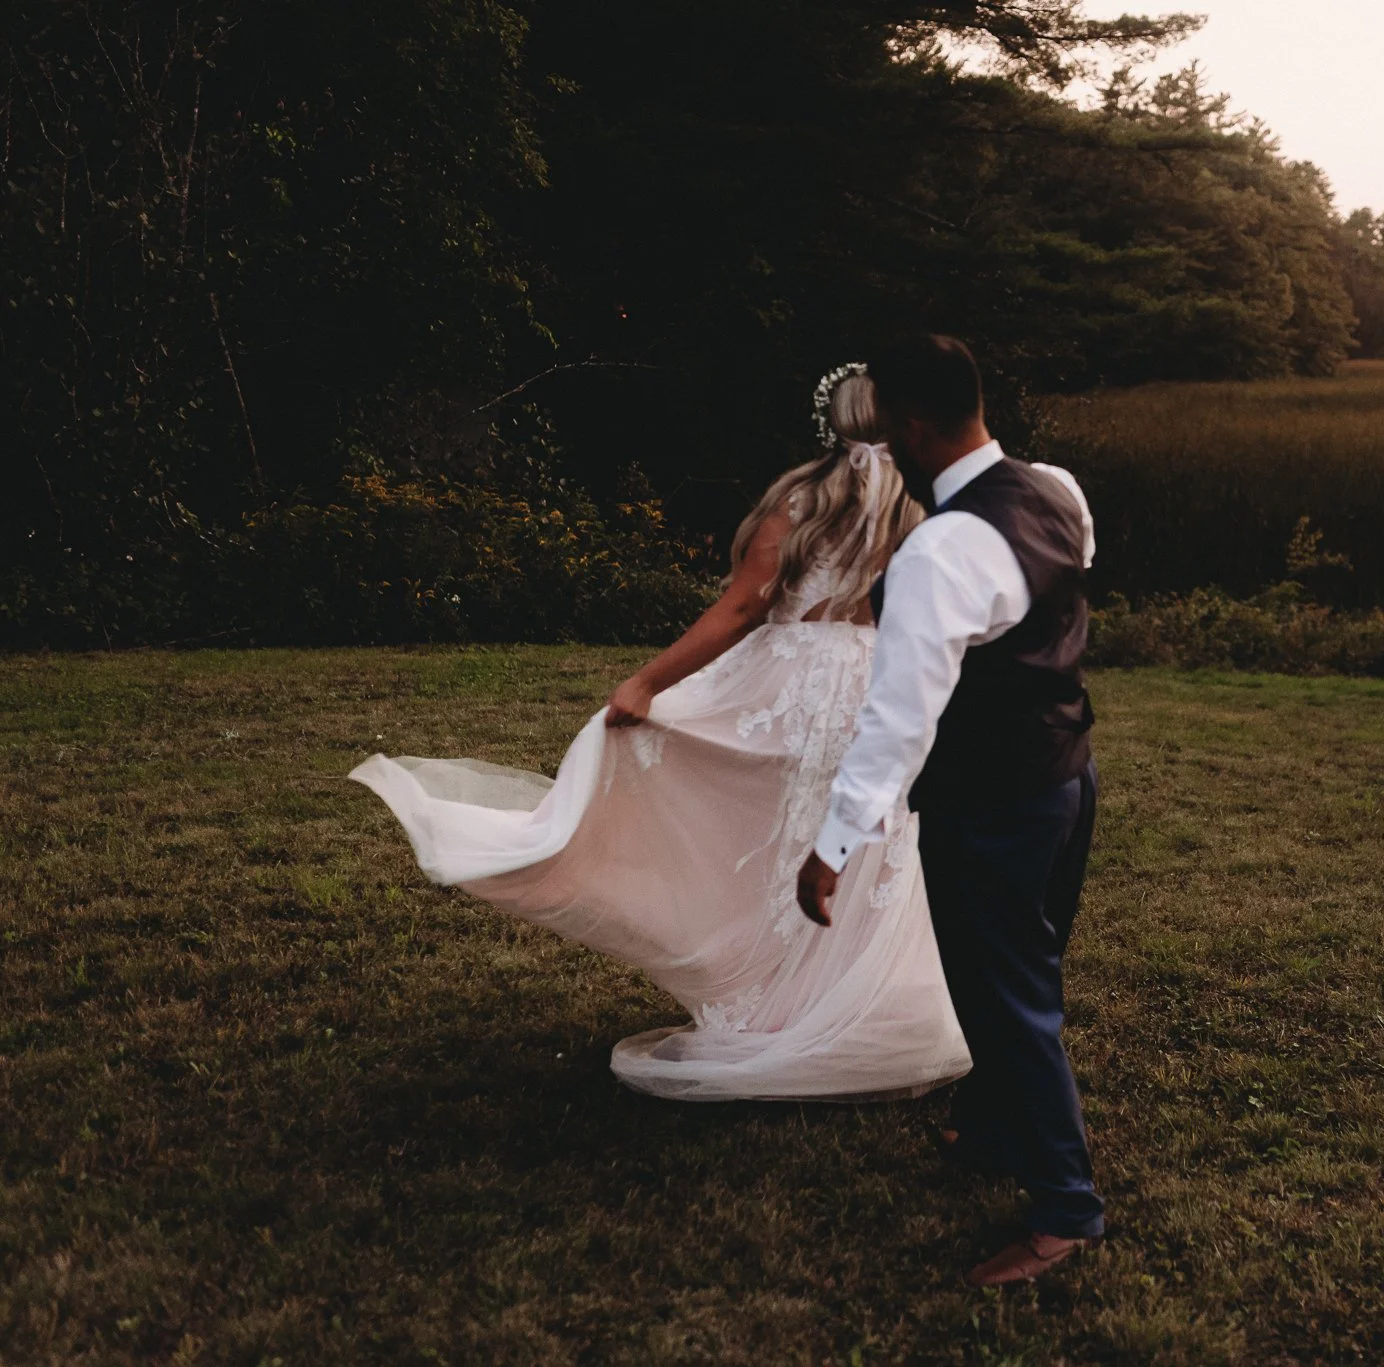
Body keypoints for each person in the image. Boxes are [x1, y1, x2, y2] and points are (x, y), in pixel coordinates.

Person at [350, 369, 971, 1102]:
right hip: (876, 691)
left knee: (774, 843)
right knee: (860, 848)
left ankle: (779, 1010)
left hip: (796, 690)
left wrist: (647, 683)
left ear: (830, 424)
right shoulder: (920, 507)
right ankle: (838, 1009)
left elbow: (741, 610)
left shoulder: (803, 503)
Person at [796, 334, 1104, 1288]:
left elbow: (899, 721)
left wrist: (834, 843)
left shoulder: (939, 551)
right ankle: (991, 1125)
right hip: (1066, 776)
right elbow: (1060, 589)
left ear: (919, 428)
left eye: (891, 432)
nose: (886, 448)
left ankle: (1065, 1209)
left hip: (995, 800)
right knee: (1022, 967)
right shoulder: (1058, 488)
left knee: (1007, 997)